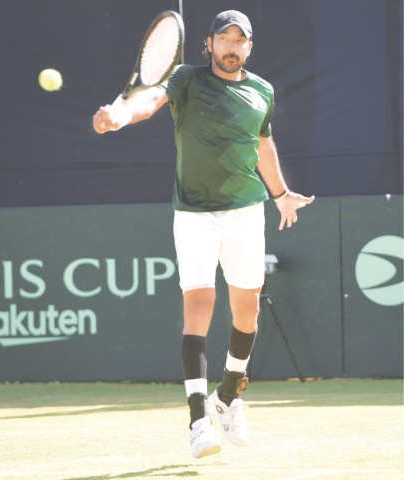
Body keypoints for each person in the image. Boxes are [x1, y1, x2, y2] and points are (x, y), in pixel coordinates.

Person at [93, 10, 315, 459]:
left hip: (246, 212)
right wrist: (119, 115)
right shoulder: (185, 79)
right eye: (224, 38)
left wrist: (281, 193)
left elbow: (262, 144)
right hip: (194, 214)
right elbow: (149, 100)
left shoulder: (262, 91)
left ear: (249, 46)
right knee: (199, 304)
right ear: (209, 44)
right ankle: (198, 419)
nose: (232, 46)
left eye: (240, 40)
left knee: (246, 312)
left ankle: (229, 397)